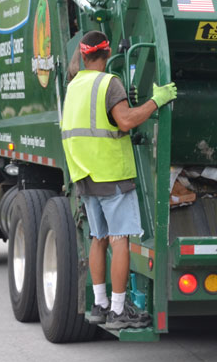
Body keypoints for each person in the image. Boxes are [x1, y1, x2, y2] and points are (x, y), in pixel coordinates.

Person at [61, 30, 177, 329]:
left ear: (83, 54)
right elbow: (125, 120)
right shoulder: (108, 83)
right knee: (119, 240)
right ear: (107, 52)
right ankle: (118, 310)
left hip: (84, 174)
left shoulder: (74, 86)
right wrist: (156, 101)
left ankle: (100, 305)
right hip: (111, 173)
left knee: (98, 239)